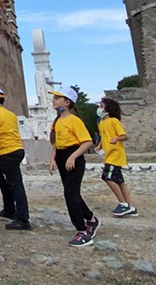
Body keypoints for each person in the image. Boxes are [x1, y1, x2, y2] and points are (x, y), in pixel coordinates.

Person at [49, 87, 99, 247]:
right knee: (73, 193)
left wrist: (73, 156)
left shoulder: (74, 120)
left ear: (67, 102)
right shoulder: (57, 121)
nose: (53, 100)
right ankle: (91, 218)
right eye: (54, 98)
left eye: (57, 98)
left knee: (70, 193)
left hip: (74, 157)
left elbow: (87, 142)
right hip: (62, 156)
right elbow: (56, 143)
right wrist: (53, 159)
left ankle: (82, 230)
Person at [0, 87, 31, 230]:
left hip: (8, 152)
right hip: (17, 149)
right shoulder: (10, 114)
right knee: (1, 176)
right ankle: (9, 208)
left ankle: (23, 219)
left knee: (15, 184)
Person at [97, 97, 137, 217]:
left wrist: (116, 139)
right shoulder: (101, 122)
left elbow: (124, 136)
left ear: (107, 109)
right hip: (108, 155)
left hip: (115, 156)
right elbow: (103, 136)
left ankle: (123, 204)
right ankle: (130, 206)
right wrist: (99, 146)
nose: (98, 108)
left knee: (107, 177)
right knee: (119, 181)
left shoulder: (114, 121)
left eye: (101, 106)